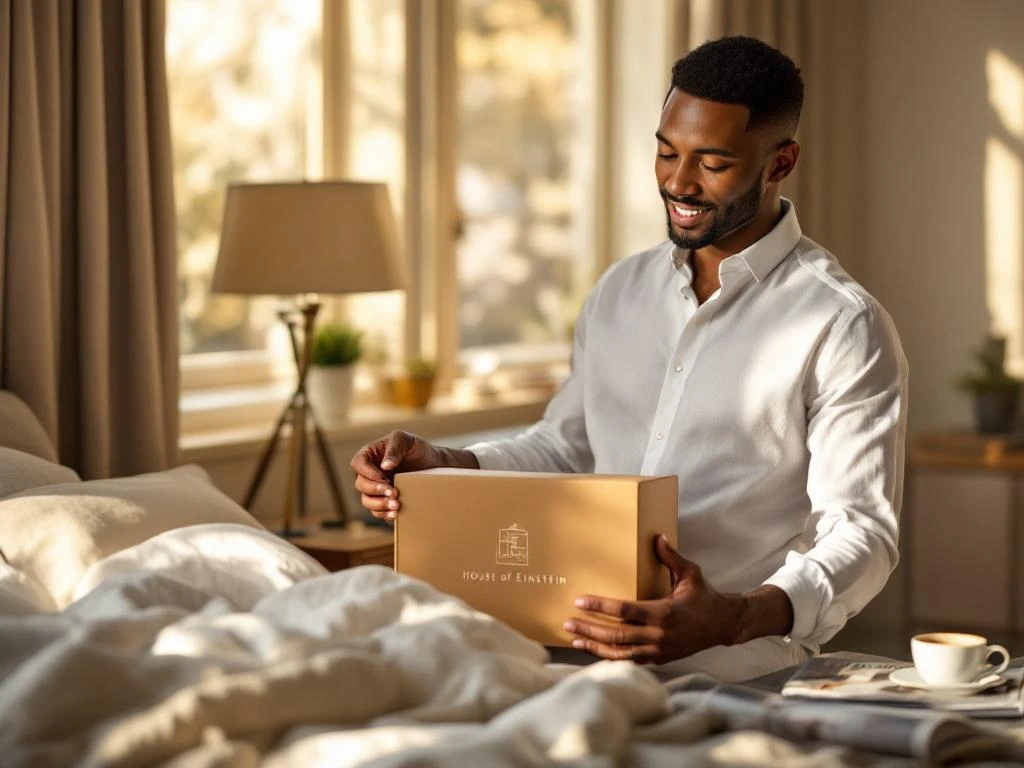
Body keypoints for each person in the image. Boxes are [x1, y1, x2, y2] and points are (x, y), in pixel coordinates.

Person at [351, 36, 908, 682]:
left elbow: (862, 533)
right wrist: (447, 464)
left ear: (781, 161)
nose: (678, 181)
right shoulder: (619, 292)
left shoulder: (842, 323)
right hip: (562, 642)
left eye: (713, 162)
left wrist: (730, 615)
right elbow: (567, 449)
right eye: (667, 151)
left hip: (732, 661)